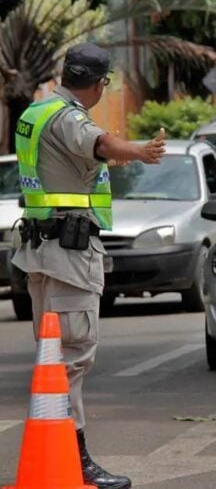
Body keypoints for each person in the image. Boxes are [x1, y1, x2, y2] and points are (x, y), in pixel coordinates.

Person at [12, 42, 165, 489]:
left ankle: (56, 456)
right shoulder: (69, 115)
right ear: (101, 83)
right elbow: (97, 142)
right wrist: (138, 150)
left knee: (52, 360)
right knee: (71, 360)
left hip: (40, 250)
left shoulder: (35, 112)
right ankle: (74, 463)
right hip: (67, 255)